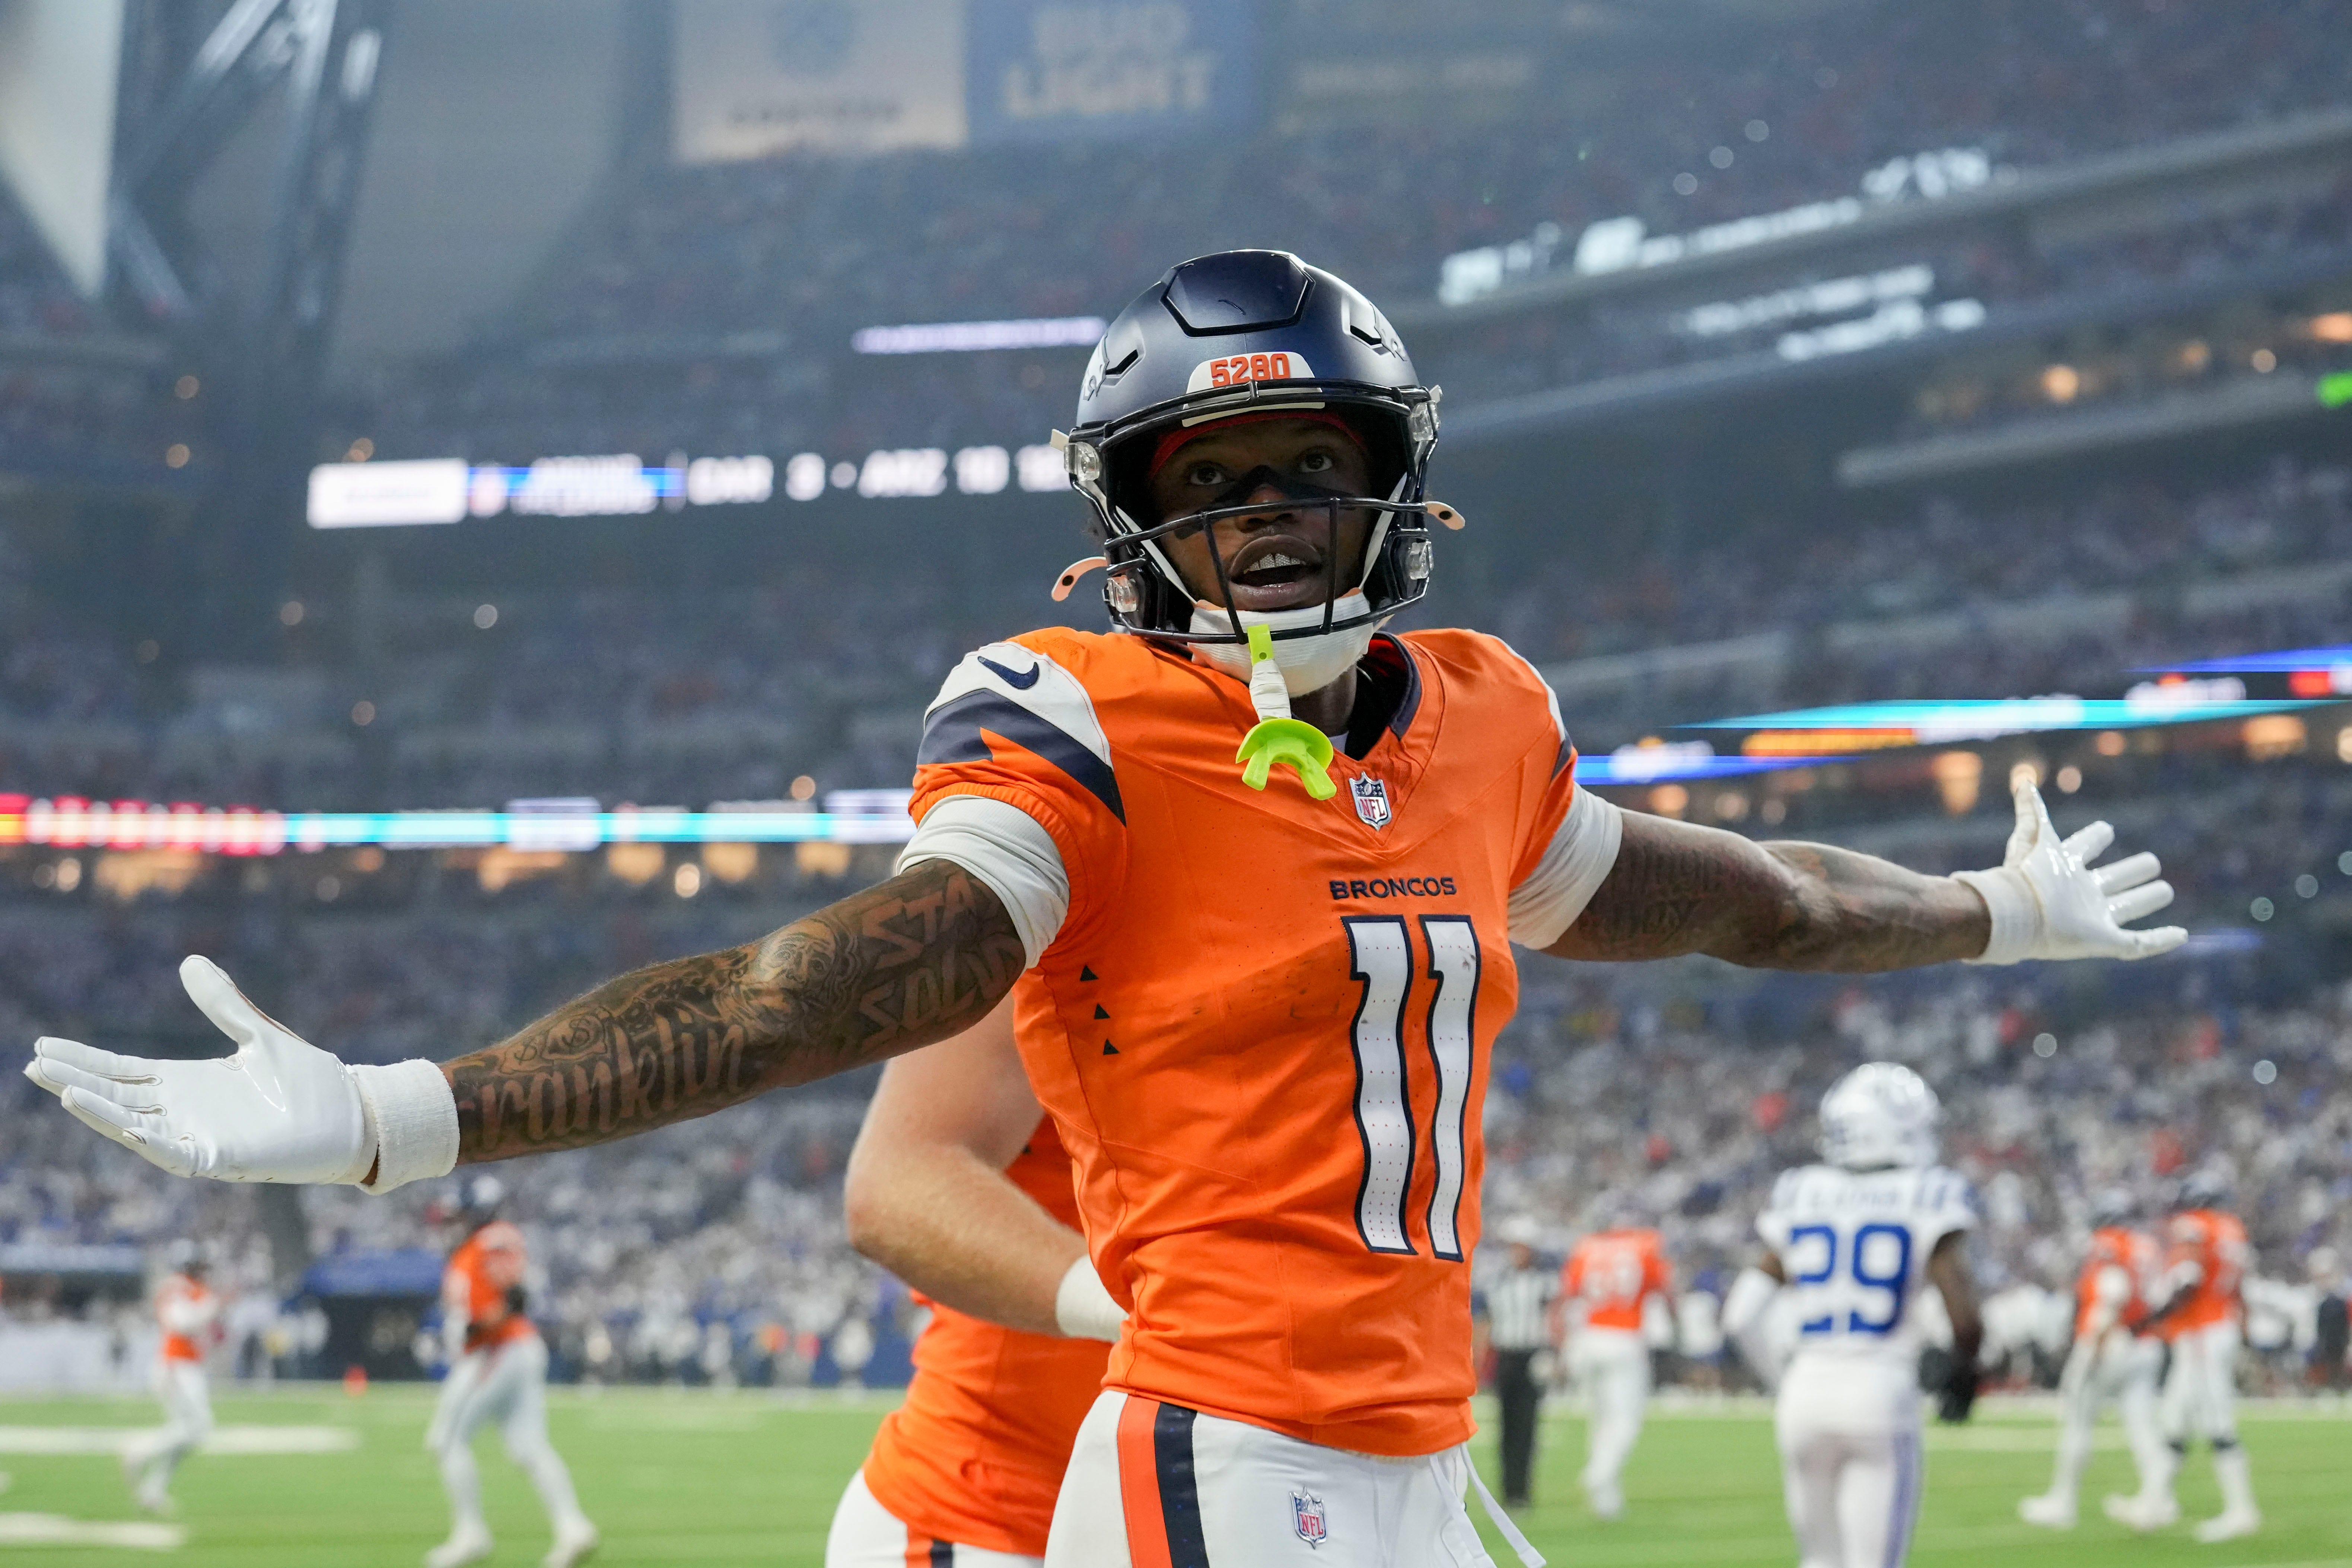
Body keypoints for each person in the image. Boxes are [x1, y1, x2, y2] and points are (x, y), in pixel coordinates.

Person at [25, 249, 2186, 1568]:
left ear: (1394, 471)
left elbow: (1755, 898)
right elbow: (825, 986)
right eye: (1204, 484)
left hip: (1398, 1423)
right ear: (1128, 520)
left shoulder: (1483, 718)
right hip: (1223, 1437)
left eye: (1304, 464)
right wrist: (414, 1110)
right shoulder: (1073, 720)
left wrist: (1982, 910)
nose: (1260, 521)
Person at [828, 997, 1123, 1566]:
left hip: (1229, 1486)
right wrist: (1155, 1306)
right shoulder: (1063, 924)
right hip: (997, 1515)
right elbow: (894, 1186)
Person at [1723, 1064, 1982, 1568]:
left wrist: (1788, 1379)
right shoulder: (1926, 1191)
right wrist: (1964, 1371)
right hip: (1879, 1385)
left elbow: (1738, 1316)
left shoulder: (1801, 1190)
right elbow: (1965, 1317)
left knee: (1819, 1558)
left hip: (1807, 1388)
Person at [422, 1175, 596, 1568]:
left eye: (462, 1213)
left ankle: (471, 1533)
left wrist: (479, 1326)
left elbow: (514, 1296)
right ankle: (573, 1526)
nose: (456, 1221)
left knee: (446, 1440)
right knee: (528, 1446)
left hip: (497, 1349)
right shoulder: (472, 1247)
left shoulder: (493, 1238)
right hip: (507, 1349)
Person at [2109, 1170, 2258, 1541]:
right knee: (2173, 1420)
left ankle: (2241, 1510)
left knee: (2216, 1421)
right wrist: (2243, 1328)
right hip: (2219, 1325)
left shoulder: (2195, 1225)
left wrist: (2151, 1318)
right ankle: (2152, 1503)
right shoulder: (2232, 1228)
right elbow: (2238, 1286)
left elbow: (2188, 1277)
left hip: (2200, 1332)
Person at [2017, 1189, 2167, 1529]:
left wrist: (2096, 1342)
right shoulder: (2146, 1247)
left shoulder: (2109, 1244)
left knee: (2078, 1421)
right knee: (2142, 1425)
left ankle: (2063, 1501)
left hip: (2109, 1340)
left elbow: (2113, 1292)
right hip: (2144, 1342)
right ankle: (2158, 1500)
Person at [1561, 1215, 1671, 1519]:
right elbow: (1661, 1285)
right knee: (1625, 1421)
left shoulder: (1586, 1247)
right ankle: (1599, 1472)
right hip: (1625, 1337)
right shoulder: (1643, 1245)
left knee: (1600, 1420)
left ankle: (1607, 1499)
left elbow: (1570, 1291)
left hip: (1589, 1336)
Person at [122, 1240, 220, 1514]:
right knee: (200, 1426)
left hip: (179, 1364)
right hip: (179, 1365)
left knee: (186, 1432)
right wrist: (207, 1310)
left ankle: (153, 1491)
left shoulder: (175, 1287)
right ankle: (140, 1450)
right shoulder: (185, 1289)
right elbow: (182, 1324)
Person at [1471, 1217, 1556, 1512]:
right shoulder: (1497, 1282)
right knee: (1506, 1428)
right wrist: (1479, 1362)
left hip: (1531, 1356)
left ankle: (1523, 1492)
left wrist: (1555, 1355)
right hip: (1506, 1357)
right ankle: (1508, 1491)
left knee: (1528, 1427)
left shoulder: (1543, 1282)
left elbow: (1553, 1320)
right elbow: (1485, 1323)